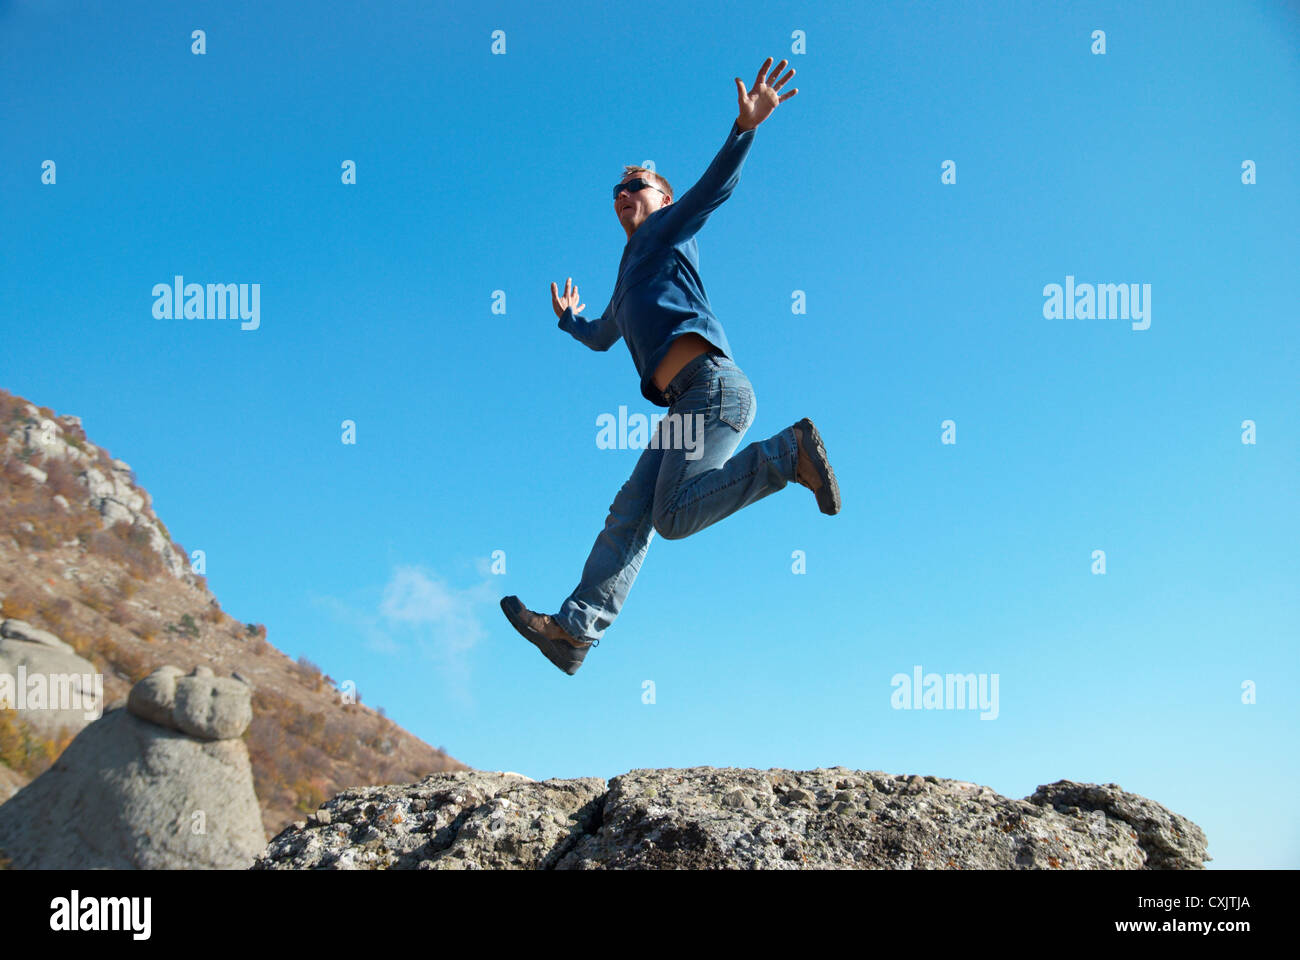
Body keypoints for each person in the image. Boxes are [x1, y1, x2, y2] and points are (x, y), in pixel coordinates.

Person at [501, 57, 841, 676]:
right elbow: (604, 337)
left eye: (639, 184)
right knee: (630, 510)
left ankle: (785, 455)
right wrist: (567, 321)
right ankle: (575, 632)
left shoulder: (666, 232)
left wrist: (745, 129)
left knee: (674, 517)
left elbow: (714, 190)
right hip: (687, 405)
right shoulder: (627, 275)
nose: (625, 193)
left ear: (663, 200)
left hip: (713, 391)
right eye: (618, 189)